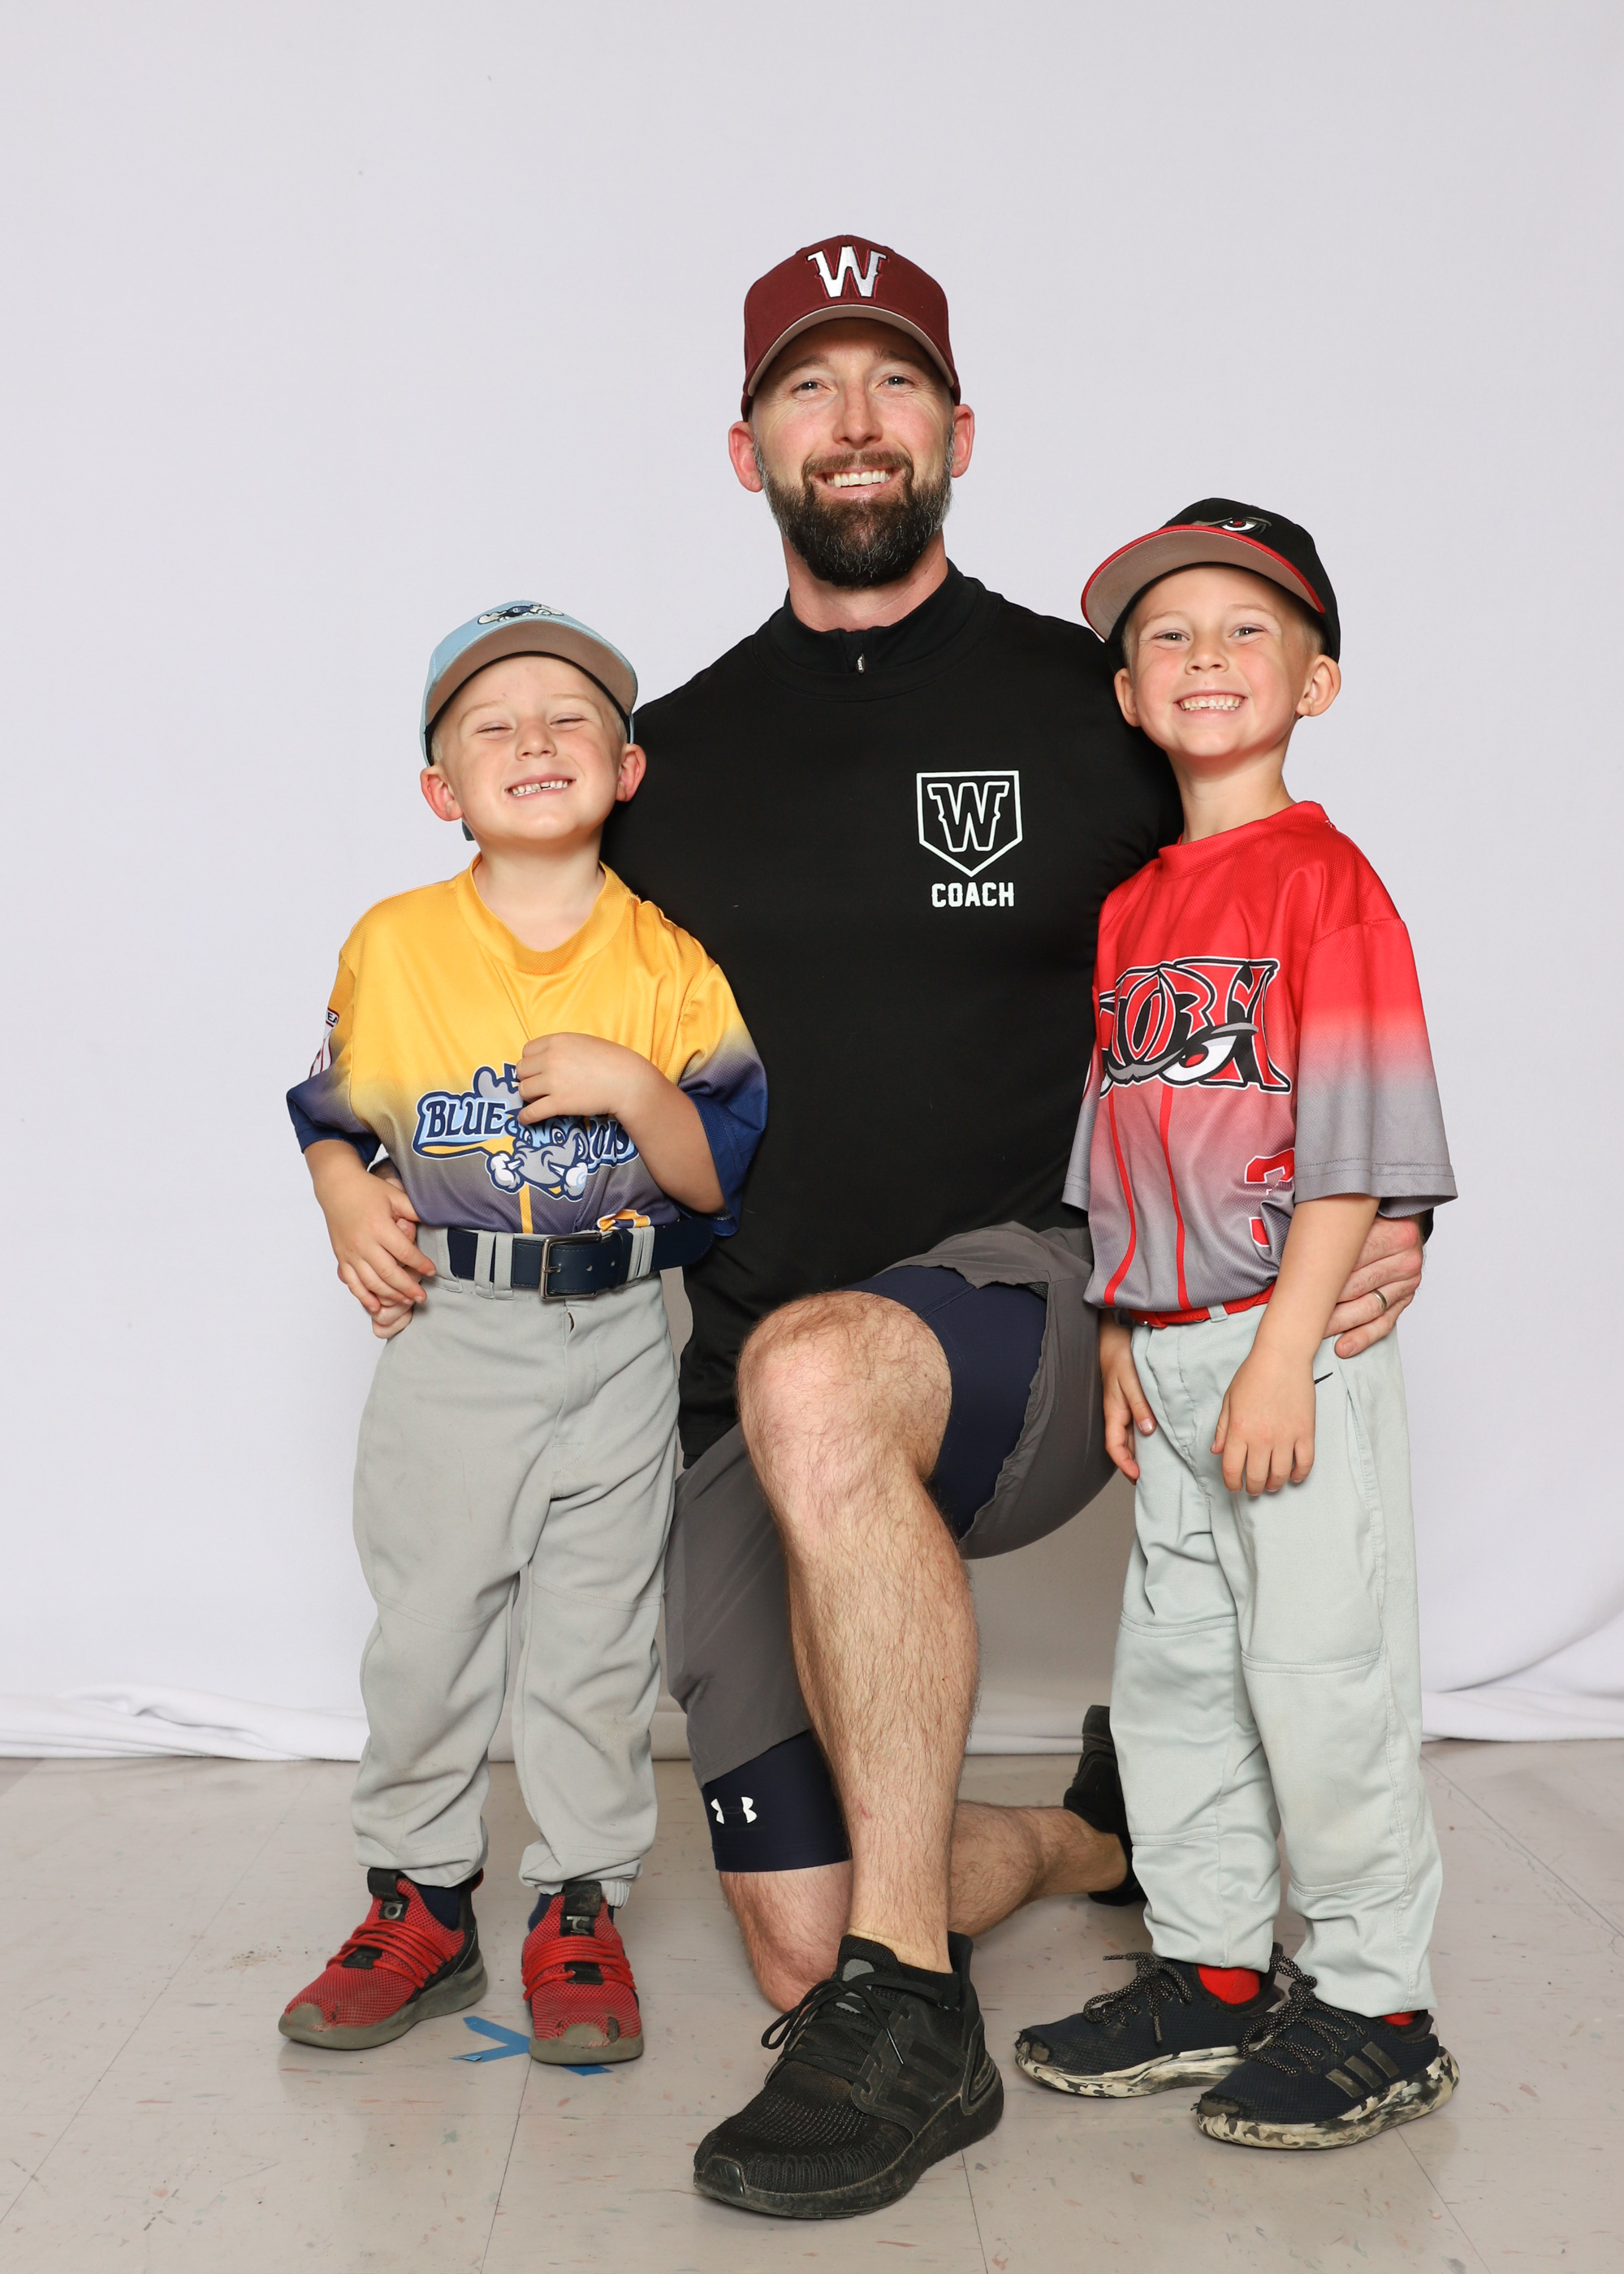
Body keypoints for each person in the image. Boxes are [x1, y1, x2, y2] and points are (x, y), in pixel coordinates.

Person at [605, 238, 1427, 2218]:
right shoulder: (668, 759)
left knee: (822, 1366)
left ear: (959, 433)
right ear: (745, 445)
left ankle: (915, 2017)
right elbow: (501, 975)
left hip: (1050, 1310)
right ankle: (1084, 1844)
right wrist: (368, 1162)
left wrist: (1377, 1200)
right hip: (749, 1384)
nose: (856, 421)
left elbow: (1293, 921)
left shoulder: (1100, 698)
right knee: (797, 1933)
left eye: (894, 382)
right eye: (811, 387)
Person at [1015, 504, 1459, 2151]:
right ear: (1130, 694)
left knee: (1321, 1679)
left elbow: (1352, 1138)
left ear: (1316, 679)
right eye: (1169, 635)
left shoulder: (1325, 882)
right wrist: (1121, 1329)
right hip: (1173, 1345)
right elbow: (1123, 1135)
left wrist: (1282, 1349)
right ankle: (1209, 1968)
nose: (1205, 657)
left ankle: (1379, 2005)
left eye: (1247, 628)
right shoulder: (1135, 907)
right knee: (1179, 1680)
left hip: (1293, 1349)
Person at [277, 603, 766, 2064]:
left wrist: (636, 1087)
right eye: (493, 725)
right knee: (429, 1632)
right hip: (454, 1327)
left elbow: (713, 1176)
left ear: (626, 769)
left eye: (570, 719)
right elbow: (334, 1115)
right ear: (443, 787)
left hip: (616, 1332)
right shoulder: (399, 941)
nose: (534, 742)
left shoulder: (669, 960)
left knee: (592, 1647)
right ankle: (419, 1900)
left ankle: (577, 1903)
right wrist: (340, 1193)